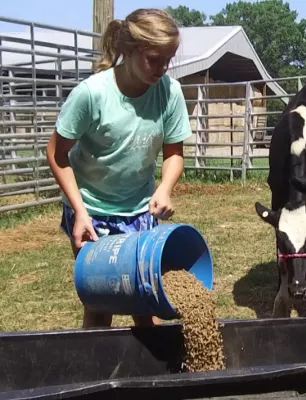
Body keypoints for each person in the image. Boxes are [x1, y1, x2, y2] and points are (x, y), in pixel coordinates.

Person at [46, 8, 192, 329]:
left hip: (140, 210)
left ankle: (146, 375)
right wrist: (79, 211)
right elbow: (57, 154)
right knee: (101, 305)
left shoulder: (169, 92)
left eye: (169, 59)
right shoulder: (92, 94)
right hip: (93, 211)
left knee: (146, 299)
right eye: (154, 58)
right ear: (129, 49)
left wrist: (164, 187)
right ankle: (98, 372)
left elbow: (174, 153)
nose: (163, 68)